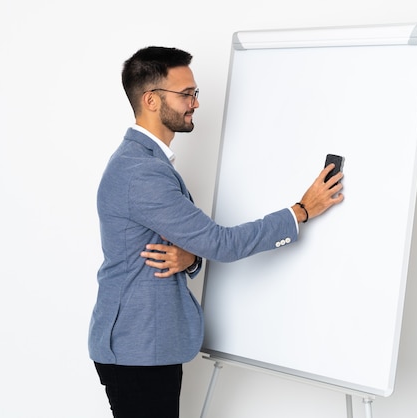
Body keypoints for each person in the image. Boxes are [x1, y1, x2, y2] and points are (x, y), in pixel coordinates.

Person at [88, 46, 344, 418]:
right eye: (186, 94)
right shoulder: (141, 171)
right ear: (152, 100)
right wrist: (301, 211)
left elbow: (179, 245)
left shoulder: (143, 162)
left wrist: (191, 257)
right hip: (138, 349)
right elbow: (221, 243)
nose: (195, 103)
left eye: (195, 93)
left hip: (141, 346)